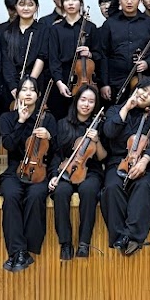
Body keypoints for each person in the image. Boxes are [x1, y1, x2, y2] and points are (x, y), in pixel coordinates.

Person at [0, 77, 56, 272]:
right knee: (11, 195)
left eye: (32, 89)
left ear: (38, 95)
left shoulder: (48, 119)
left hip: (39, 170)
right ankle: (19, 251)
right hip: (14, 170)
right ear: (18, 94)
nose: (28, 93)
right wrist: (20, 121)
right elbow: (8, 145)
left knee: (36, 195)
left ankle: (27, 249)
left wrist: (50, 137)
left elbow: (57, 151)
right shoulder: (7, 118)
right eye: (24, 89)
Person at [102, 77, 150, 255]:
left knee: (143, 186)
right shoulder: (115, 110)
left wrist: (144, 161)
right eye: (143, 89)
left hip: (146, 164)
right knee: (111, 188)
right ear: (136, 88)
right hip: (118, 161)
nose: (145, 95)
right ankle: (119, 238)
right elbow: (109, 132)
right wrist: (127, 107)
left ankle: (132, 237)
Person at [48, 84, 106, 259]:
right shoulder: (62, 124)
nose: (86, 104)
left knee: (89, 191)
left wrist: (97, 140)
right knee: (61, 192)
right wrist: (54, 176)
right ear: (76, 101)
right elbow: (56, 155)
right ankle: (65, 243)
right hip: (66, 170)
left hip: (90, 170)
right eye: (83, 100)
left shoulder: (98, 126)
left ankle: (84, 242)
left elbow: (102, 157)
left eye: (91, 101)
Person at [95, 0, 150, 101]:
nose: (129, 2)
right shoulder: (109, 24)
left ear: (140, 0)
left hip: (143, 80)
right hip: (115, 81)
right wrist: (104, 83)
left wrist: (148, 62)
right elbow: (103, 54)